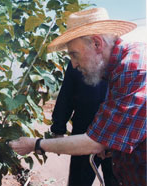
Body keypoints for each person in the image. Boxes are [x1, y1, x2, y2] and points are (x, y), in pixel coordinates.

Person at [9, 7, 146, 186]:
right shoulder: (118, 67)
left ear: (97, 43)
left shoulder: (133, 68)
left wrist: (35, 144)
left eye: (74, 54)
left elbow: (95, 142)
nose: (73, 65)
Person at [51, 61, 116, 186]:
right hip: (85, 132)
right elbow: (67, 93)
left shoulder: (124, 60)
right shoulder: (80, 57)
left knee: (116, 180)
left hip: (116, 136)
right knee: (79, 180)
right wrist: (58, 128)